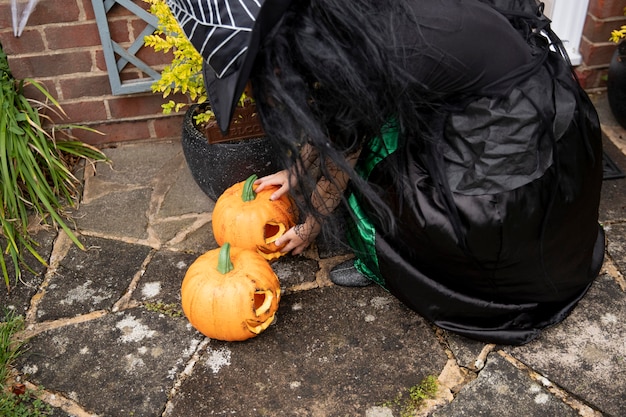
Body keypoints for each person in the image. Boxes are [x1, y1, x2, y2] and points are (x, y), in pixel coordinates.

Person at [166, 0, 605, 345]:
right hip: (475, 92)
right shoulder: (333, 16)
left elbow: (350, 145)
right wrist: (296, 171)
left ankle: (402, 267)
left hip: (512, 129)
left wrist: (309, 226)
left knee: (399, 194)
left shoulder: (382, 43)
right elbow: (341, 117)